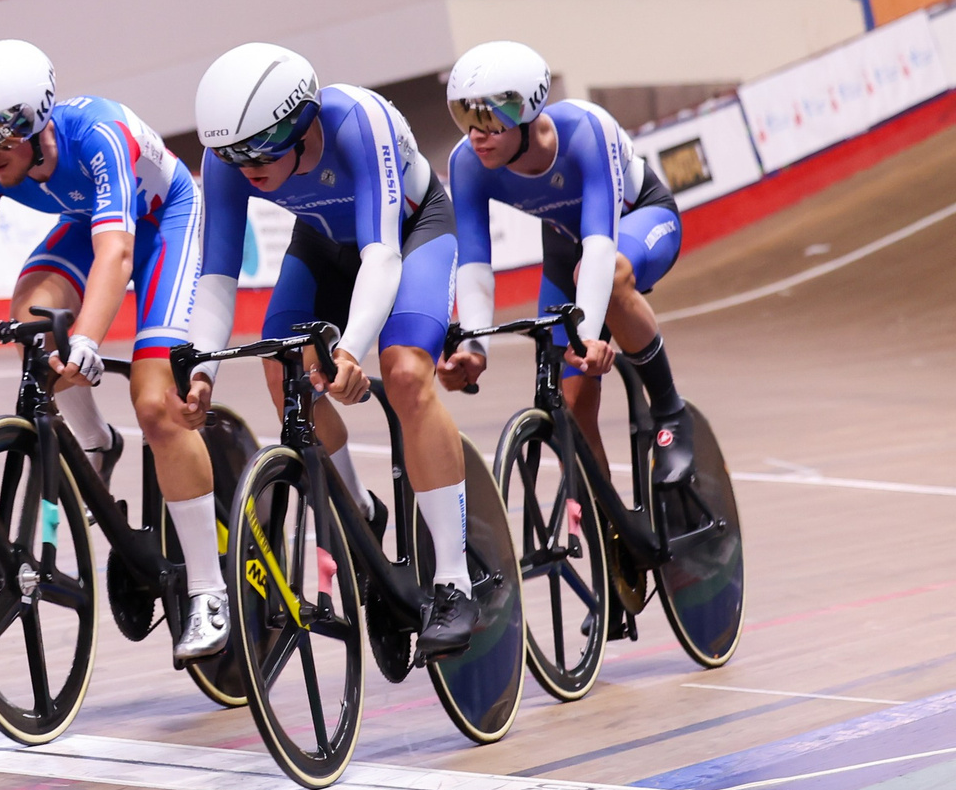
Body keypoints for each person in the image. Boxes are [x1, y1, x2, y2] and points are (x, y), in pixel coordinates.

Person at [0, 41, 230, 659]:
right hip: (89, 223)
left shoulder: (98, 136)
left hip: (166, 223)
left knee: (155, 403)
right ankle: (96, 443)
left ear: (34, 122)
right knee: (31, 328)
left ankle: (210, 590)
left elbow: (119, 255)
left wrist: (87, 341)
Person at [185, 42, 478, 656]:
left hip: (409, 233)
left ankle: (454, 581)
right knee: (280, 368)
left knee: (402, 375)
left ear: (297, 122)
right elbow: (216, 276)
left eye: (256, 151)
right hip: (321, 243)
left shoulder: (355, 122)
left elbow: (382, 255)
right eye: (228, 154)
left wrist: (351, 351)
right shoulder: (228, 161)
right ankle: (354, 510)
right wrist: (201, 366)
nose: (244, 168)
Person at [435, 41, 690, 480]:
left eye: (488, 118)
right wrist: (475, 347)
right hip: (566, 247)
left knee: (607, 278)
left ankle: (670, 412)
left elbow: (600, 245)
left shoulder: (587, 129)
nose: (475, 133)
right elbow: (475, 263)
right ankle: (608, 527)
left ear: (527, 113)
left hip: (638, 220)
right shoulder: (469, 163)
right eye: (464, 116)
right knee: (570, 406)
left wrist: (588, 335)